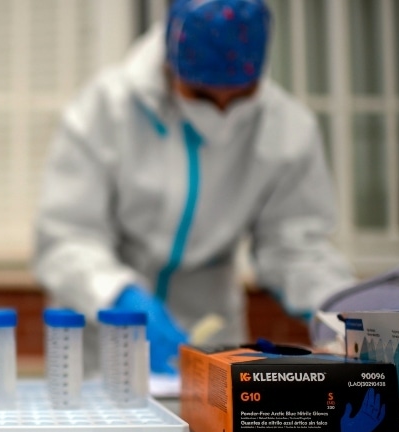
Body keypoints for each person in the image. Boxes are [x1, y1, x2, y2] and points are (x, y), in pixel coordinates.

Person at [33, 0, 356, 375]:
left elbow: (297, 248)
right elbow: (66, 237)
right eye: (202, 95)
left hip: (210, 331)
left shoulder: (286, 129)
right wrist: (119, 297)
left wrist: (342, 310)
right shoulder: (107, 110)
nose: (221, 113)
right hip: (102, 334)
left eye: (239, 95)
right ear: (170, 64)